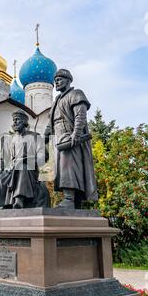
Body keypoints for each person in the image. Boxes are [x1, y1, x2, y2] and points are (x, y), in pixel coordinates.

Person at [44, 69, 98, 209]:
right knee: (61, 170)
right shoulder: (57, 101)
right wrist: (45, 137)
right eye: (55, 80)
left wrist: (76, 134)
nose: (56, 82)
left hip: (69, 137)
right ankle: (72, 200)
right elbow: (51, 122)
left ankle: (70, 199)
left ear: (68, 81)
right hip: (58, 139)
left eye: (60, 79)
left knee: (69, 167)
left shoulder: (76, 94)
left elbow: (80, 116)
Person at [0, 110, 50, 209]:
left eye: (17, 120)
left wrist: (28, 160)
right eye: (13, 120)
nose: (14, 122)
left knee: (22, 167)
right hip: (12, 170)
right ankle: (0, 205)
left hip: (29, 170)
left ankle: (19, 200)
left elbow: (43, 156)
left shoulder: (35, 137)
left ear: (24, 122)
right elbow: (3, 159)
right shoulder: (10, 140)